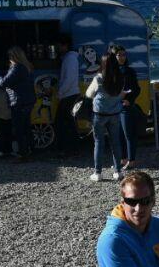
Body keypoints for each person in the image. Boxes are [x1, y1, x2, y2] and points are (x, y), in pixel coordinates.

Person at [85, 53, 125, 182]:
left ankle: (98, 173)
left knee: (99, 143)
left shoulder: (98, 78)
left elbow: (89, 94)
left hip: (100, 115)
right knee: (115, 143)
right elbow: (120, 94)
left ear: (103, 64)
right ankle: (118, 172)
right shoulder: (120, 78)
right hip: (115, 114)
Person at [0, 46, 36, 160]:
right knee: (26, 128)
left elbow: (4, 82)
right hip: (28, 101)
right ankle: (31, 151)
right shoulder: (26, 66)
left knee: (19, 129)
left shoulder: (16, 67)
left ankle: (23, 154)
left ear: (13, 56)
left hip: (19, 101)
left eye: (10, 56)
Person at [114, 46, 142, 170]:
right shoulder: (112, 71)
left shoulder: (129, 71)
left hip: (126, 107)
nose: (122, 57)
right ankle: (123, 159)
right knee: (119, 134)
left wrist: (129, 101)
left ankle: (131, 161)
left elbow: (136, 89)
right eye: (119, 55)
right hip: (115, 107)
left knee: (129, 134)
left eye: (124, 54)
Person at [54, 33, 81, 158]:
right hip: (70, 94)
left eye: (59, 45)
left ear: (65, 45)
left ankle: (69, 149)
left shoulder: (70, 59)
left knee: (63, 123)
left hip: (69, 95)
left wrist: (60, 93)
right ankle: (71, 148)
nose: (57, 47)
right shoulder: (69, 58)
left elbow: (69, 79)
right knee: (68, 123)